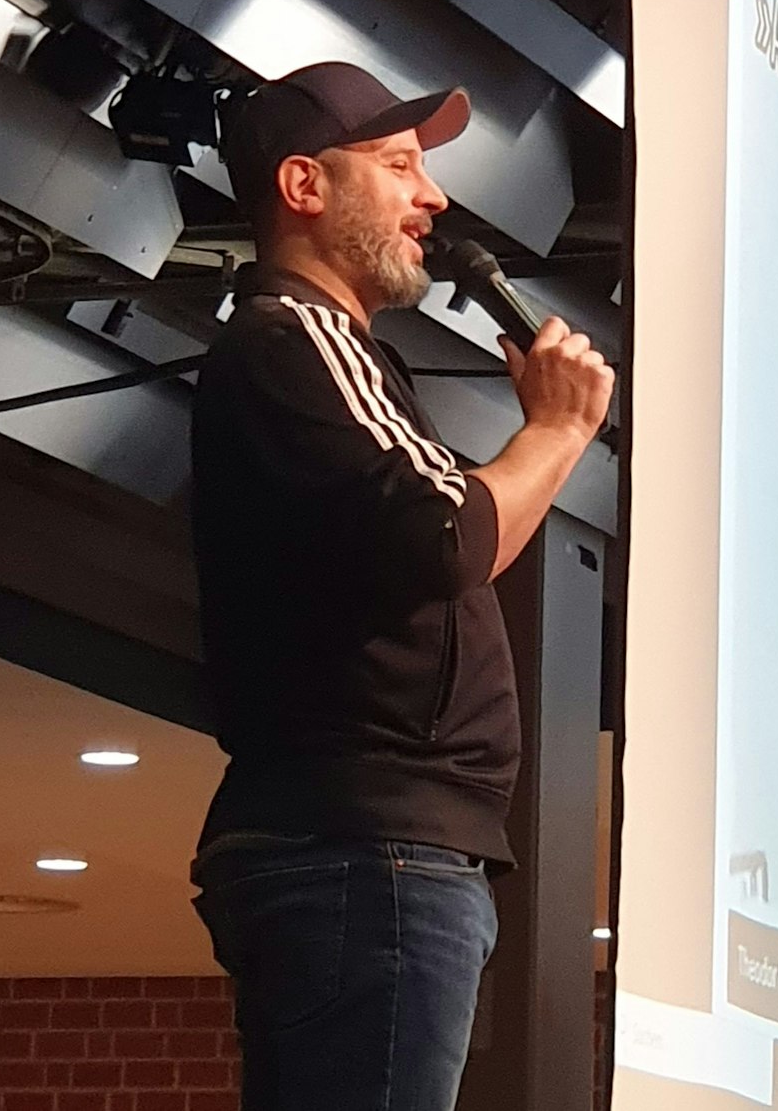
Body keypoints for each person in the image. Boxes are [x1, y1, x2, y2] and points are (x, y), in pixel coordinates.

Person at [186, 61, 614, 1110]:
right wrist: (555, 430)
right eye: (397, 166)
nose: (431, 198)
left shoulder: (327, 356)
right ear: (302, 188)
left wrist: (555, 442)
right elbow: (444, 536)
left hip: (371, 855)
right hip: (367, 853)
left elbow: (443, 546)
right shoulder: (297, 335)